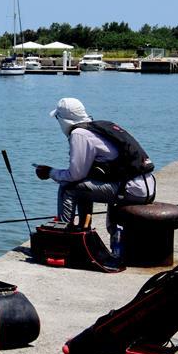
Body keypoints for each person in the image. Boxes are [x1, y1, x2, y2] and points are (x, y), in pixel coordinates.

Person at [35, 98, 156, 245]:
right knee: (82, 184)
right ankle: (83, 229)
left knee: (68, 187)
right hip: (146, 186)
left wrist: (50, 172)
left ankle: (62, 238)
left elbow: (74, 175)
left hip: (131, 190)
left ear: (63, 119)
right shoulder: (97, 128)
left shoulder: (79, 134)